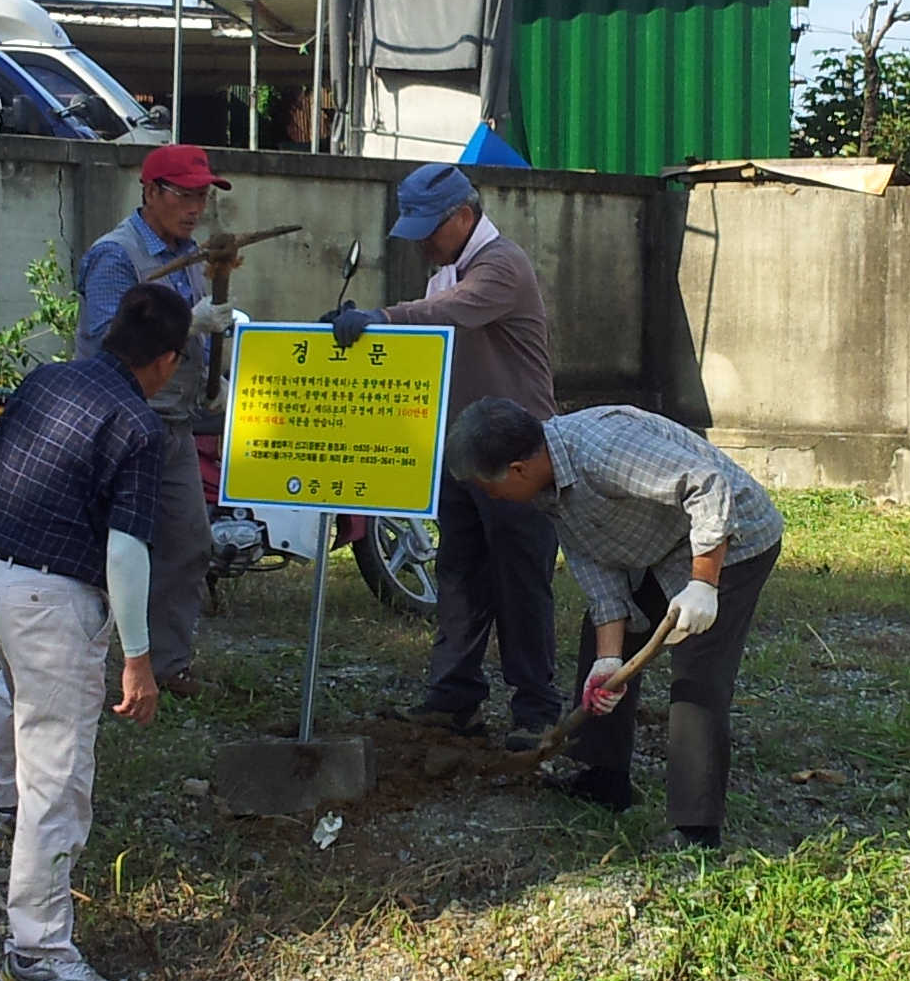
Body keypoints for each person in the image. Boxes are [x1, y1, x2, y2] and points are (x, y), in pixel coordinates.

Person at [0, 284, 185, 981]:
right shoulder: (138, 426)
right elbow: (126, 550)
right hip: (49, 601)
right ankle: (37, 948)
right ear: (169, 360)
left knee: (13, 688)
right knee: (58, 780)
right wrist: (139, 658)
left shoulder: (47, 378)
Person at [451, 397, 784, 847]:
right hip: (655, 545)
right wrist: (609, 659)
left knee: (697, 668)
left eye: (489, 489)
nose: (490, 498)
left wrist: (704, 583)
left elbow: (708, 485)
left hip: (731, 540)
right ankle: (604, 777)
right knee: (604, 641)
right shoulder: (548, 489)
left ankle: (696, 826)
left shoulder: (602, 449)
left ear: (517, 469)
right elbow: (598, 568)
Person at [335, 166, 559, 747]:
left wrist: (381, 318)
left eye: (429, 229)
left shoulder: (501, 265)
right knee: (459, 576)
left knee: (520, 584)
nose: (421, 243)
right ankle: (454, 699)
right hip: (466, 452)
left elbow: (452, 312)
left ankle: (538, 711)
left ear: (464, 215)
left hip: (519, 459)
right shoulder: (448, 272)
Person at [73, 143, 241, 690]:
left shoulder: (191, 255)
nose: (194, 207)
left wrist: (210, 380)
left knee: (188, 540)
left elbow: (188, 342)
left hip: (172, 421)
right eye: (183, 194)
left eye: (201, 196)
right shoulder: (116, 256)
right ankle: (86, 663)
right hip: (120, 423)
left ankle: (166, 665)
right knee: (114, 545)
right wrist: (187, 325)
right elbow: (105, 340)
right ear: (149, 192)